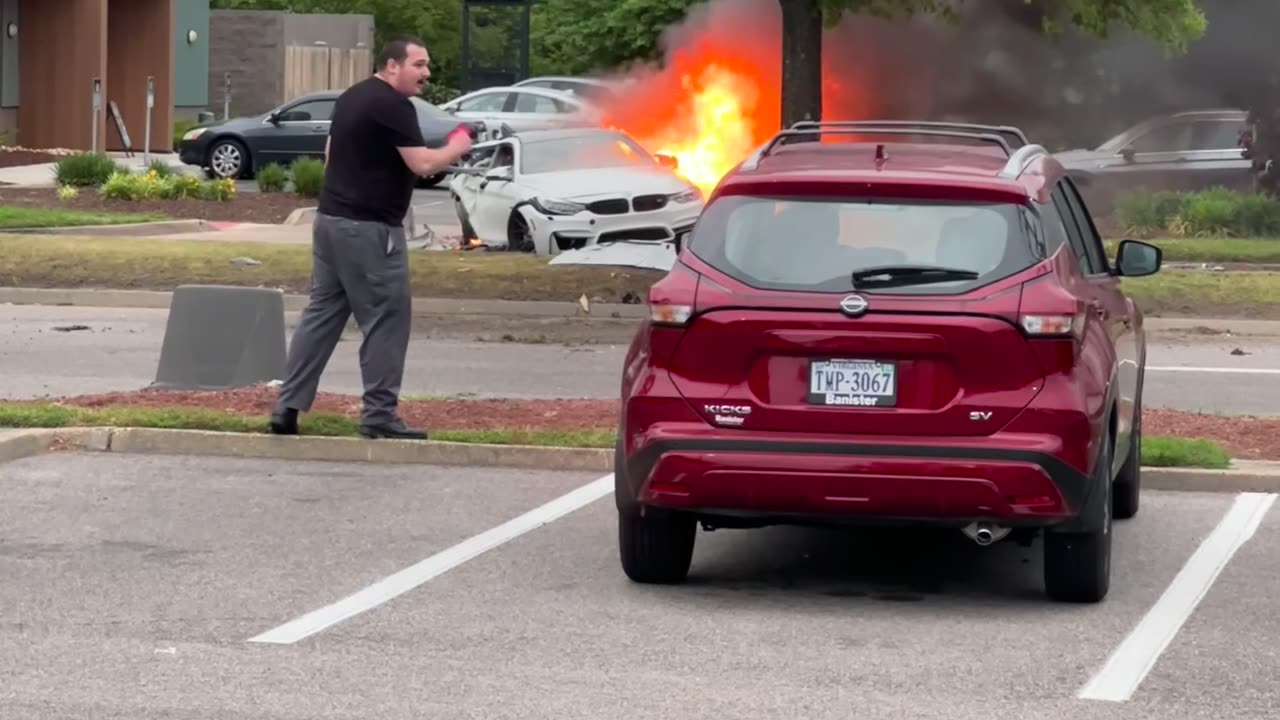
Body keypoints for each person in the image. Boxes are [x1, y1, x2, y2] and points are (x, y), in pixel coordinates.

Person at [269, 36, 472, 440]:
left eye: (426, 65)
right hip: (370, 231)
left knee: (321, 316)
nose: (426, 74)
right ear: (393, 65)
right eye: (419, 64)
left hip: (329, 223)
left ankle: (286, 407)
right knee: (386, 321)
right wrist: (459, 143)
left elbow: (331, 154)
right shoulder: (393, 105)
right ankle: (379, 416)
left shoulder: (352, 97)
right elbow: (425, 164)